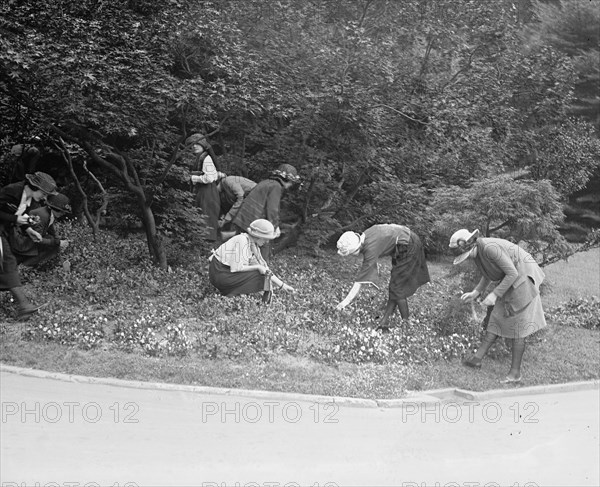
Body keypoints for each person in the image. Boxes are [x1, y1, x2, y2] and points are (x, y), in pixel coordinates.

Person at [449, 229, 547, 383]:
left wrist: (494, 294)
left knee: (518, 327)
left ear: (471, 245)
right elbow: (489, 273)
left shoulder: (490, 248)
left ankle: (515, 374)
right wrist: (476, 292)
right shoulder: (479, 251)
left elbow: (512, 273)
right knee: (496, 318)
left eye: (467, 256)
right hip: (512, 278)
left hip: (523, 278)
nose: (467, 259)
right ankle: (477, 359)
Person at [336, 224, 430, 330]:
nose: (350, 255)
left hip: (408, 245)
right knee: (394, 286)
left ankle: (406, 323)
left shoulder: (370, 249)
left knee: (397, 288)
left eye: (350, 253)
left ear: (355, 249)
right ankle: (384, 323)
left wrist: (344, 303)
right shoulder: (366, 235)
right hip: (404, 242)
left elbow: (359, 283)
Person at [0, 172, 58, 319]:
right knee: (7, 262)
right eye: (44, 193)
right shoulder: (11, 191)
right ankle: (24, 306)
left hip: (3, 231)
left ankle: (24, 306)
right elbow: (11, 216)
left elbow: (20, 217)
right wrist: (15, 219)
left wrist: (30, 230)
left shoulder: (30, 199)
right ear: (34, 187)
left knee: (7, 263)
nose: (45, 198)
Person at [208, 219, 295, 302]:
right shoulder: (242, 240)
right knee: (258, 274)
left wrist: (283, 286)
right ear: (258, 236)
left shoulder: (253, 246)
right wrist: (257, 267)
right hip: (219, 273)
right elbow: (235, 268)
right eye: (266, 239)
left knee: (263, 274)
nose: (267, 242)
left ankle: (231, 294)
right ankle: (230, 292)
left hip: (225, 273)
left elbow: (265, 270)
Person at [231, 164, 300, 261]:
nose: (291, 185)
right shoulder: (276, 187)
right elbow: (272, 209)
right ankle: (261, 272)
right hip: (254, 221)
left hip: (244, 217)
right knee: (263, 248)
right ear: (287, 179)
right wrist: (274, 227)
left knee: (242, 247)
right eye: (291, 182)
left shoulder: (266, 182)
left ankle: (236, 268)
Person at [11, 193, 71, 268]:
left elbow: (50, 227)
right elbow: (36, 239)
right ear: (55, 208)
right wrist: (57, 242)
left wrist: (58, 239)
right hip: (22, 242)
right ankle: (24, 266)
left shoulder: (49, 213)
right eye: (61, 211)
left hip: (28, 238)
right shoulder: (43, 215)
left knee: (52, 240)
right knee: (54, 247)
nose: (63, 213)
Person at [184, 133, 225, 242]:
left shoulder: (206, 158)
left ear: (203, 145)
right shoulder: (199, 158)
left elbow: (210, 177)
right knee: (200, 213)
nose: (194, 146)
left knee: (206, 213)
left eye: (197, 144)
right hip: (202, 190)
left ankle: (206, 242)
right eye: (193, 144)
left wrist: (193, 178)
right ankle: (199, 240)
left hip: (207, 191)